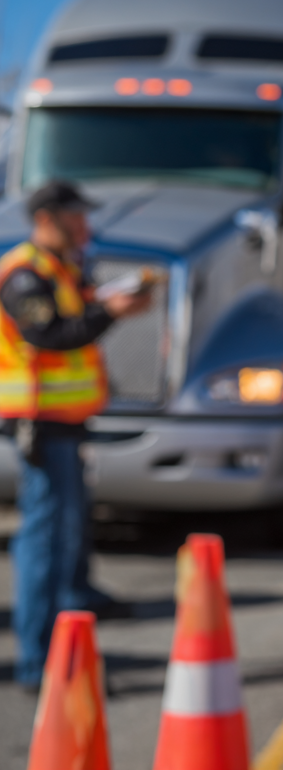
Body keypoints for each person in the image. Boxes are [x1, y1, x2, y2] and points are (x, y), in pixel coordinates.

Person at [3, 179, 149, 690]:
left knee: (66, 531)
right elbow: (51, 335)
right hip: (39, 424)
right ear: (47, 219)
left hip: (65, 421)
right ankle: (38, 664)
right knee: (43, 539)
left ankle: (71, 622)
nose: (86, 227)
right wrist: (109, 312)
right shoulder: (23, 274)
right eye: (77, 218)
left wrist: (108, 303)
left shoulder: (62, 268)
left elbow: (78, 321)